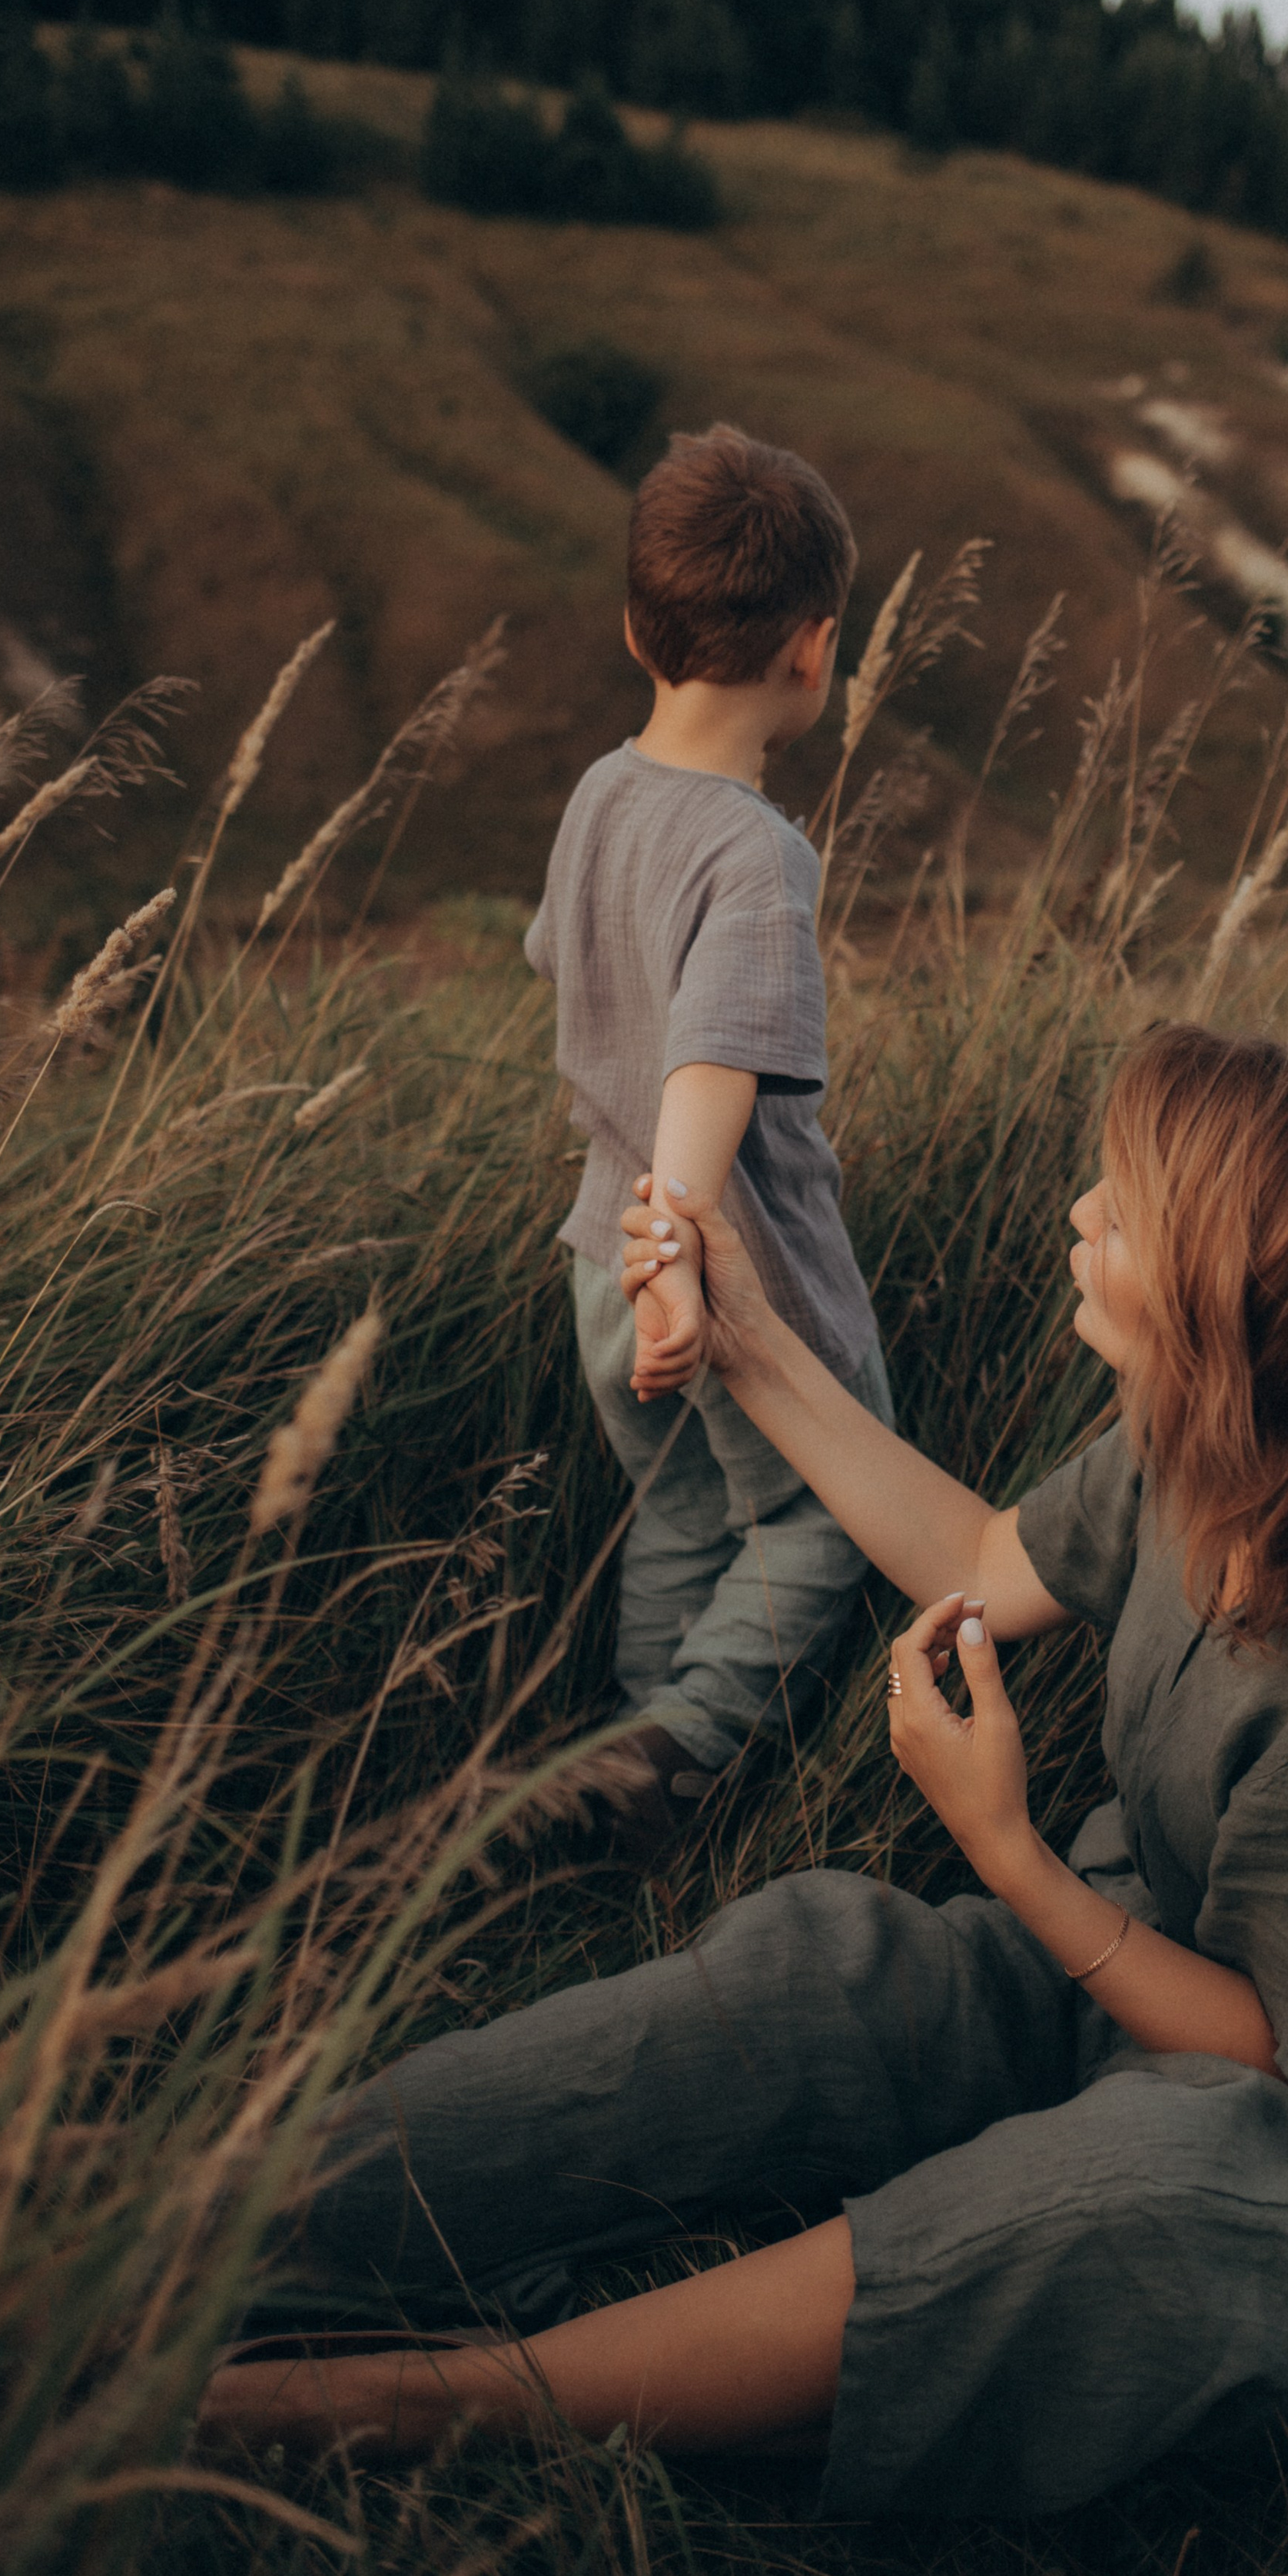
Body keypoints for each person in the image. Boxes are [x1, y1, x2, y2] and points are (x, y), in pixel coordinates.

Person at [201, 1026, 1288, 2518]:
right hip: (1102, 1987)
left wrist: (1007, 1852)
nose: (1082, 1215)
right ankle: (213, 2244)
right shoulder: (1228, 1446)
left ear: (1234, 1301)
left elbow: (1268, 2067)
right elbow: (975, 1557)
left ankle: (430, 2408)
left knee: (1143, 2183)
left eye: (1126, 1212)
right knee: (821, 1971)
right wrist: (749, 1339)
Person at [523, 422, 892, 1859]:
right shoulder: (755, 852)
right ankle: (684, 1748)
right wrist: (686, 1252)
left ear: (636, 630)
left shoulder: (601, 794)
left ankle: (617, 1763)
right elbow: (711, 1061)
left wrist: (636, 1253)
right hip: (725, 1266)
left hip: (595, 1260)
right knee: (824, 1518)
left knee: (677, 1515)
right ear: (815, 649)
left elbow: (568, 965)